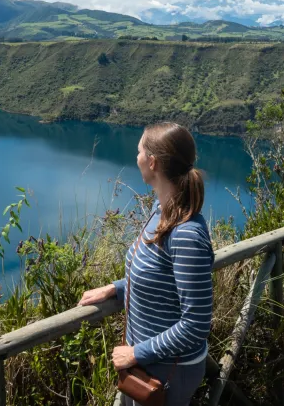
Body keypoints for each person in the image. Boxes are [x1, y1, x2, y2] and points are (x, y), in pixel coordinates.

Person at [78, 122, 213, 406]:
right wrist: (114, 288)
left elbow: (196, 324)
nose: (135, 157)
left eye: (139, 151)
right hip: (148, 364)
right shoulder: (160, 212)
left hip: (168, 371)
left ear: (152, 163)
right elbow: (158, 278)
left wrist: (137, 353)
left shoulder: (186, 234)